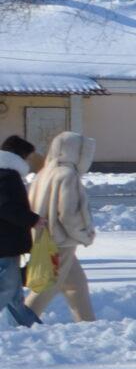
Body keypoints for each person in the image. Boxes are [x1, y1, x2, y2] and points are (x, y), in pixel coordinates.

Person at [27, 130, 96, 323]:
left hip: (45, 237)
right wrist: (84, 234)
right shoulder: (68, 175)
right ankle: (21, 319)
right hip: (61, 239)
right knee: (50, 284)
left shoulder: (44, 172)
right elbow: (68, 213)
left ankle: (87, 322)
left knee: (76, 284)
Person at [0, 134, 37, 327]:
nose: (29, 161)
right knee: (6, 288)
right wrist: (34, 220)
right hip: (5, 244)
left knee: (13, 293)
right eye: (28, 157)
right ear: (19, 156)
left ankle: (28, 326)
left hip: (7, 243)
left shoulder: (5, 173)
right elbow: (6, 207)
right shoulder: (7, 175)